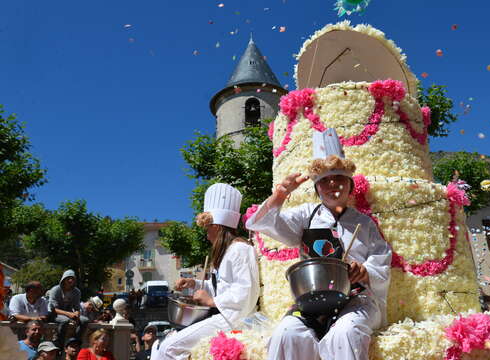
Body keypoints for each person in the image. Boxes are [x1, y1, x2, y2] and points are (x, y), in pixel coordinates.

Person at [246, 128, 392, 360]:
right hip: (312, 300)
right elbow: (261, 222)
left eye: (339, 178)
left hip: (358, 298)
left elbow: (381, 261)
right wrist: (281, 193)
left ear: (350, 185)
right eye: (324, 180)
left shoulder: (365, 223)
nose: (332, 183)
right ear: (317, 188)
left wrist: (365, 271)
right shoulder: (306, 216)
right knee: (286, 333)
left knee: (345, 333)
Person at [151, 183, 260, 360]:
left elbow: (245, 294)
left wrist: (211, 300)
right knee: (167, 344)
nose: (206, 235)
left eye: (207, 229)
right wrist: (194, 284)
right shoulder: (227, 252)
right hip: (225, 314)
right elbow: (223, 287)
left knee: (168, 349)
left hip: (233, 318)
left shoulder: (240, 249)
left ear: (216, 227)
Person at [48, 270, 88, 345]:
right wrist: (69, 314)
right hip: (55, 314)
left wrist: (77, 314)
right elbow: (53, 309)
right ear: (63, 279)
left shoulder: (77, 292)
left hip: (69, 314)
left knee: (85, 320)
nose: (70, 280)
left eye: (72, 278)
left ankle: (76, 340)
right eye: (68, 278)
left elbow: (77, 307)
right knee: (65, 320)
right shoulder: (55, 290)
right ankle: (59, 343)